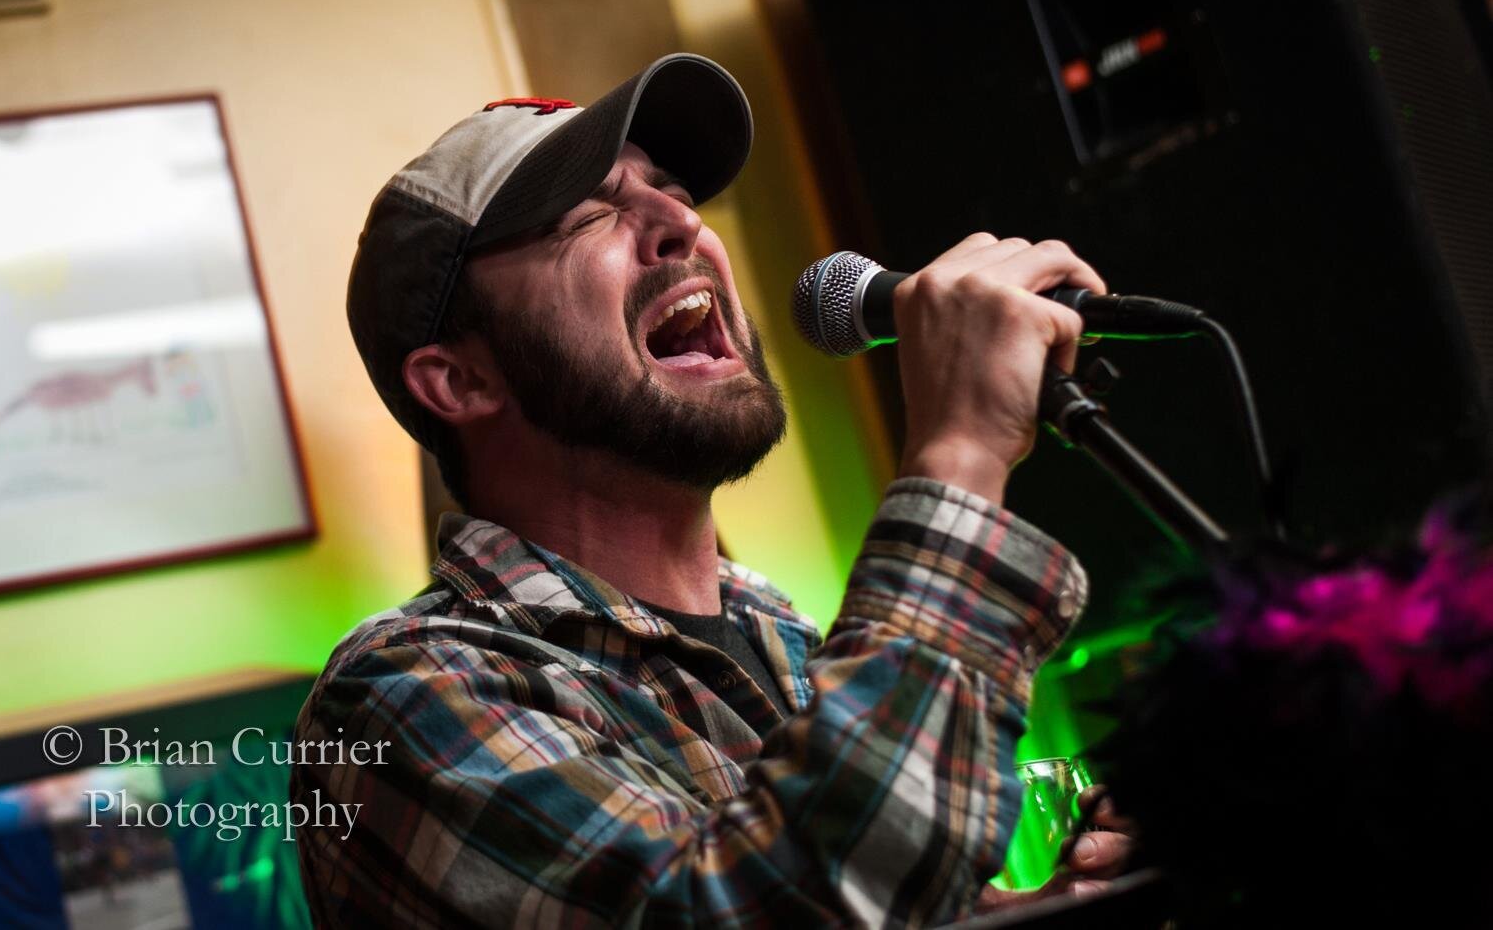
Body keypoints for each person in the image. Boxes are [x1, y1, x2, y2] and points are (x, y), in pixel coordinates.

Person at [291, 53, 1126, 927]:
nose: (678, 223)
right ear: (459, 380)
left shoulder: (771, 626)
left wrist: (1063, 907)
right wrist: (958, 452)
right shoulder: (406, 695)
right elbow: (753, 908)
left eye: (675, 189)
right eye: (586, 215)